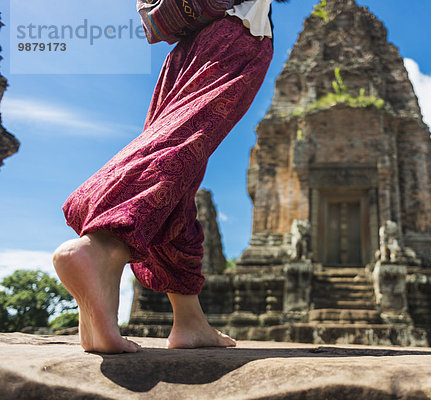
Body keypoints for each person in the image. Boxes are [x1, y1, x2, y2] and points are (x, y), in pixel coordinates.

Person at [53, 0, 285, 354]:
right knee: (180, 148)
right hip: (236, 37)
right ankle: (102, 248)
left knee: (181, 175)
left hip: (188, 48)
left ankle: (189, 320)